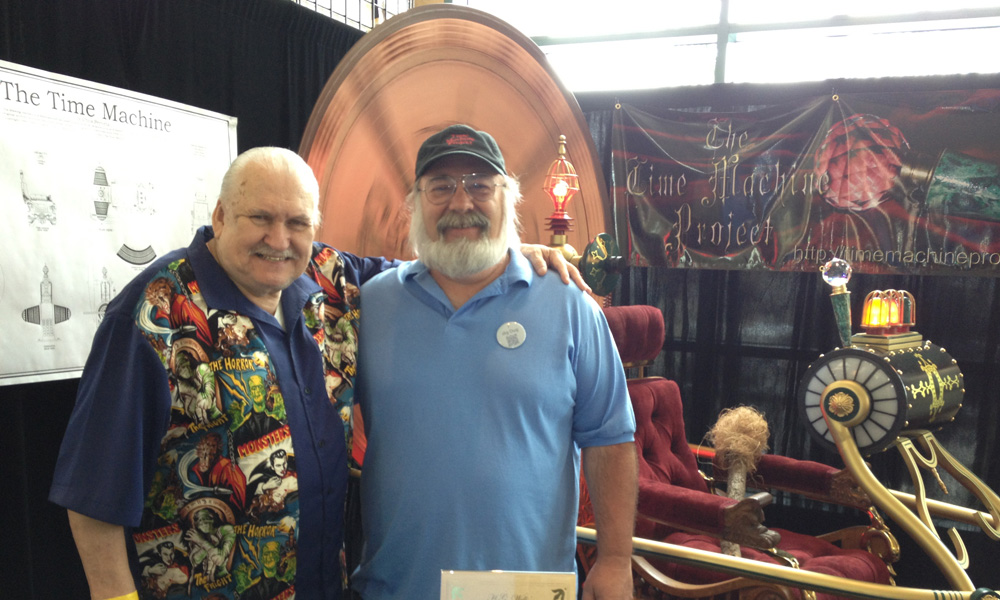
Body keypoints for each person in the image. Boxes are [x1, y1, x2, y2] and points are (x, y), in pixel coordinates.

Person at [49, 145, 584, 600]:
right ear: (221, 216)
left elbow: (438, 270)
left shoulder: (333, 280)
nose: (279, 239)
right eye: (260, 218)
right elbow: (93, 496)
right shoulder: (154, 314)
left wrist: (503, 256)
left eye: (298, 223)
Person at [351, 124, 638, 600]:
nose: (461, 202)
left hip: (525, 591)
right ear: (415, 202)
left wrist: (614, 560)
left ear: (509, 198)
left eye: (480, 186)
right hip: (396, 587)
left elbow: (609, 438)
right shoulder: (370, 305)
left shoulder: (571, 306)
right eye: (441, 187)